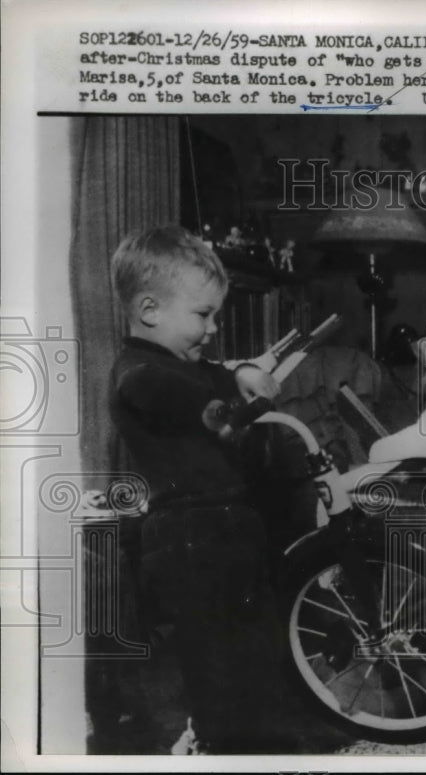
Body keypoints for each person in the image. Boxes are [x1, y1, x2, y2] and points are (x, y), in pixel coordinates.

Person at [109, 225, 289, 754]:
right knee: (215, 666)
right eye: (202, 315)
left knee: (256, 657)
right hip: (187, 538)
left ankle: (243, 740)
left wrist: (246, 370)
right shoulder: (138, 372)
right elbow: (178, 393)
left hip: (229, 527)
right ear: (149, 310)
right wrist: (221, 403)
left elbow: (216, 373)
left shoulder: (180, 363)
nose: (212, 328)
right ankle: (211, 743)